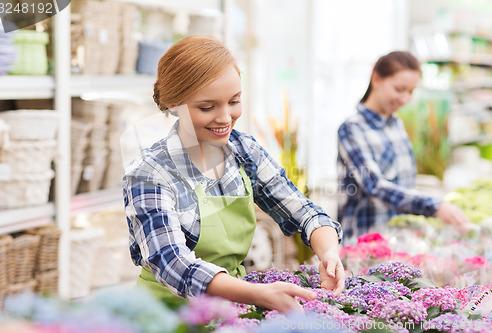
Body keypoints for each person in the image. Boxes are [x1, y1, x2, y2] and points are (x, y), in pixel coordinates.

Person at [123, 35, 345, 313]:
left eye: (234, 101)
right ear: (172, 104)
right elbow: (172, 263)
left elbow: (303, 212)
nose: (225, 117)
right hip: (165, 315)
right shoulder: (150, 173)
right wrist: (256, 294)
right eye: (207, 107)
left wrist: (329, 254)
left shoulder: (244, 151)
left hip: (231, 309)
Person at [337, 51, 471, 242]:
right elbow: (375, 186)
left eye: (410, 91)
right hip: (363, 245)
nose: (405, 99)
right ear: (376, 78)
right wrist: (434, 206)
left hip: (396, 242)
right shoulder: (352, 129)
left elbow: (404, 183)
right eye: (399, 89)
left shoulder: (396, 124)